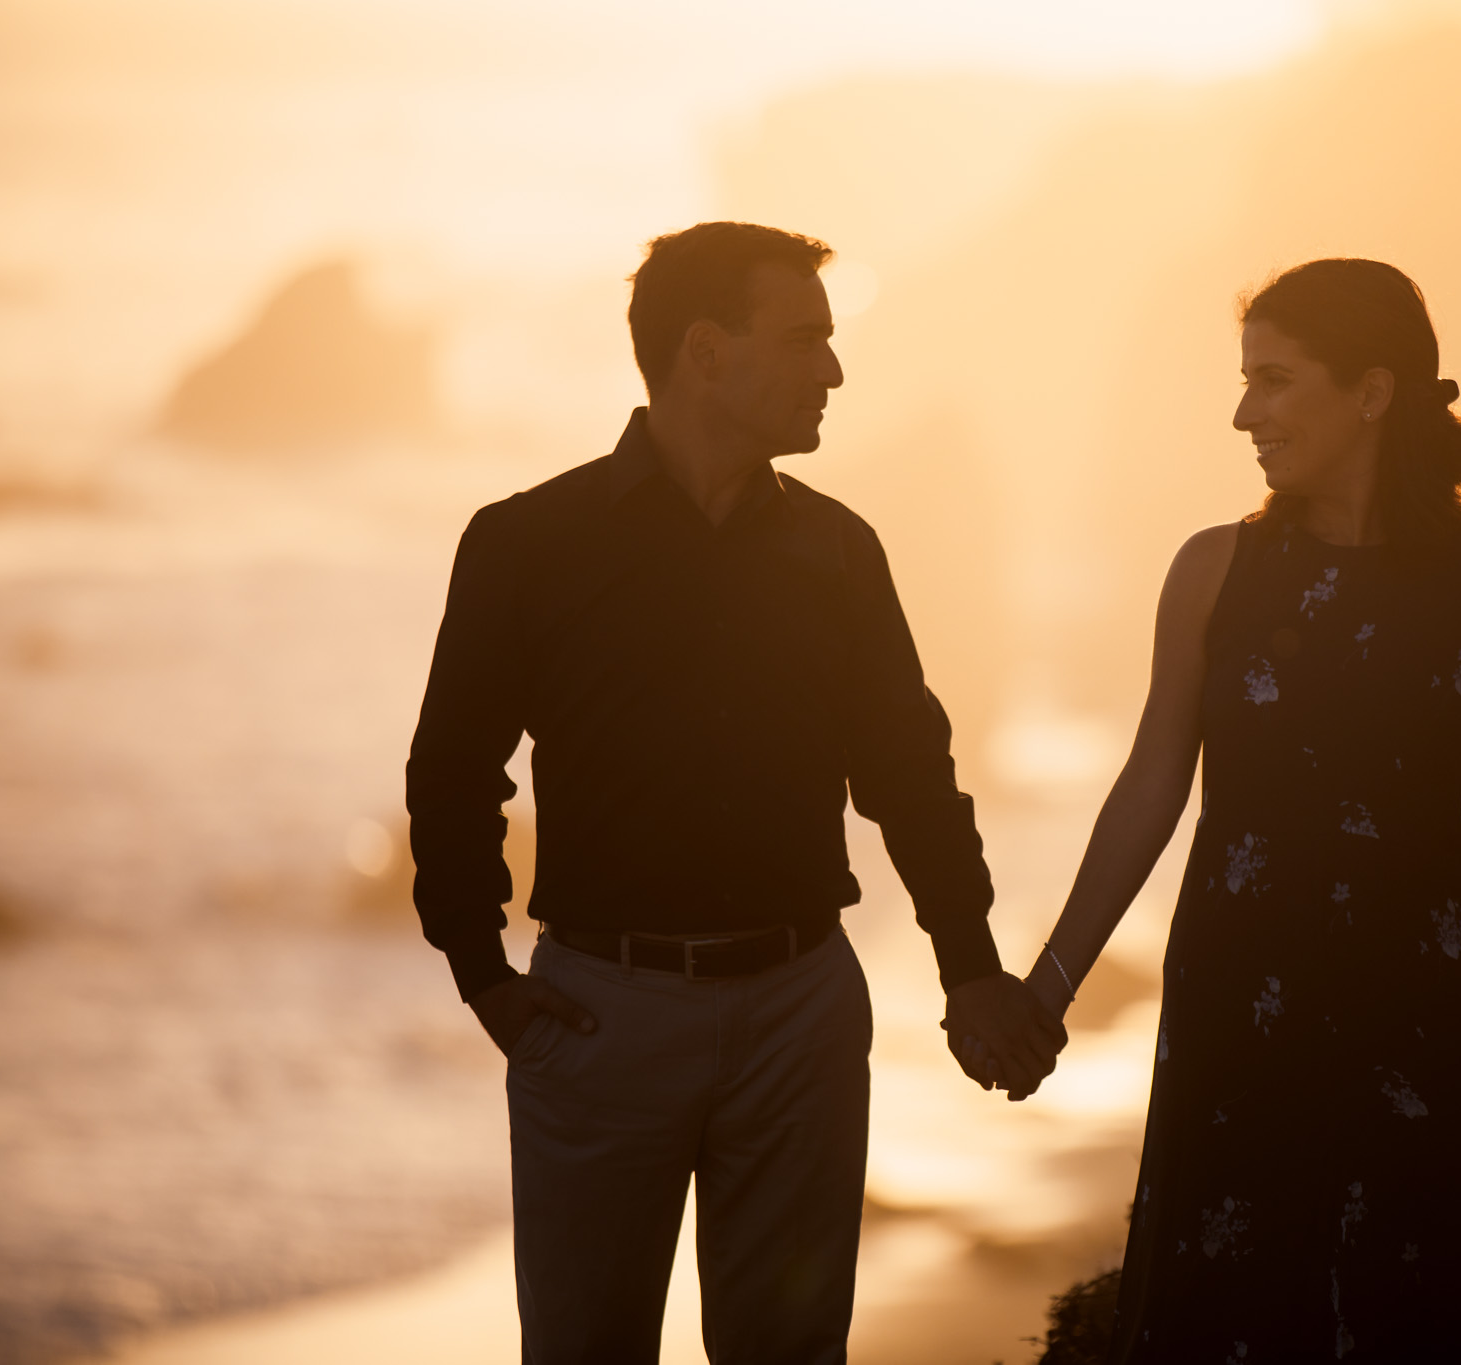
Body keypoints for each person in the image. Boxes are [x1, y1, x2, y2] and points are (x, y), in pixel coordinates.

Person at [405, 221, 1065, 1365]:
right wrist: (482, 976)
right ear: (705, 353)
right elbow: (451, 769)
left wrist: (968, 969)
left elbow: (907, 770)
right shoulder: (527, 543)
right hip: (602, 1018)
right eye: (804, 338)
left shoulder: (837, 551)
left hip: (799, 1017)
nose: (833, 369)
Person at [1018, 259, 1461, 1361]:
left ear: (1371, 391)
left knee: (1446, 1301)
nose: (1244, 413)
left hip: (1433, 1004)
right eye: (1246, 382)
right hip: (1244, 1000)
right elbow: (1152, 781)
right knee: (1248, 1294)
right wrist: (1049, 986)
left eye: (1275, 381)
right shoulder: (1213, 572)